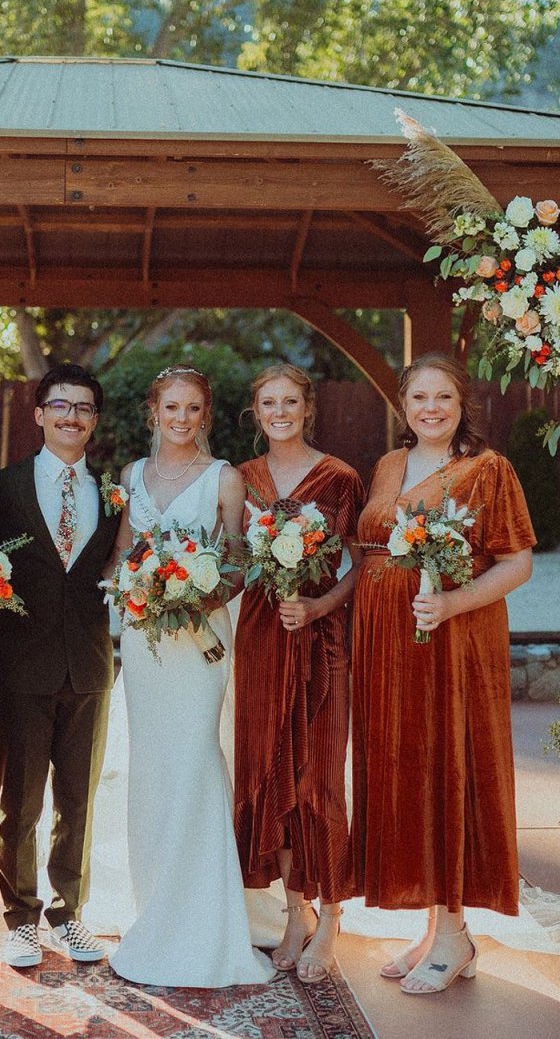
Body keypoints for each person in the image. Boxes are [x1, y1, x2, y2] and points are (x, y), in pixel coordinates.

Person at [351, 352, 535, 995]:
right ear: (404, 404)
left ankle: (456, 931)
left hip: (452, 645)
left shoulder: (488, 470)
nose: (430, 409)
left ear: (462, 405)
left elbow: (517, 563)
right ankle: (436, 930)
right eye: (419, 397)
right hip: (389, 647)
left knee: (447, 767)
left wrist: (453, 603)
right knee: (409, 770)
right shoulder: (389, 465)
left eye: (443, 398)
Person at [107, 365, 274, 988]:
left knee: (197, 760)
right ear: (154, 412)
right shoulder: (133, 475)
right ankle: (156, 907)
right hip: (146, 641)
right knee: (152, 767)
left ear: (206, 414)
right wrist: (137, 588)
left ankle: (208, 920)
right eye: (171, 407)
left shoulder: (224, 477)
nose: (181, 418)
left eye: (193, 408)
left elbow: (238, 560)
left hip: (201, 639)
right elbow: (123, 549)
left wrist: (195, 597)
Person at [233, 364, 364, 982]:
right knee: (269, 773)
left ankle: (331, 917)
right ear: (255, 411)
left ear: (308, 408)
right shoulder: (242, 478)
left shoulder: (340, 477)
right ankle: (294, 914)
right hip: (261, 639)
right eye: (269, 403)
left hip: (320, 641)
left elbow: (361, 565)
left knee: (321, 780)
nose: (279, 412)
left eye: (290, 401)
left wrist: (317, 606)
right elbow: (231, 559)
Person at [0, 364, 120, 968]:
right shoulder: (4, 486)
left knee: (78, 801)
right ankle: (20, 917)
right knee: (19, 803)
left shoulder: (113, 492)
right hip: (20, 665)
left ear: (94, 420)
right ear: (40, 414)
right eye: (61, 405)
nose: (72, 416)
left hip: (88, 663)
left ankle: (69, 914)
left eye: (84, 407)